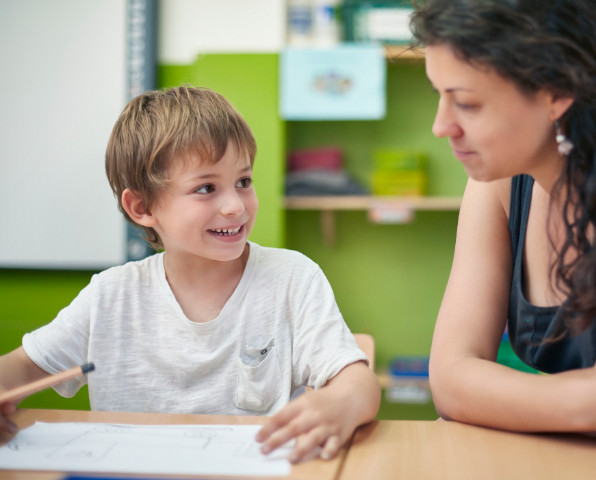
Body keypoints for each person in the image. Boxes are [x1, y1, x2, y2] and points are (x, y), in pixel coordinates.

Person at [0, 86, 380, 462]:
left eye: (243, 182)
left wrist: (339, 403)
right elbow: (21, 367)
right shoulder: (111, 295)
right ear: (142, 206)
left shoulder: (292, 278)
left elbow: (358, 383)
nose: (235, 206)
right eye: (206, 188)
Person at [410, 0, 596, 446]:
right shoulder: (497, 178)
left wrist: (499, 397)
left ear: (556, 91)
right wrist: (590, 402)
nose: (441, 126)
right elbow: (449, 379)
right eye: (439, 95)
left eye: (467, 103)